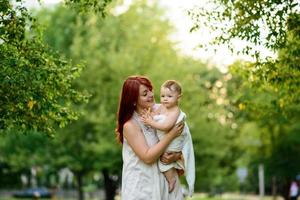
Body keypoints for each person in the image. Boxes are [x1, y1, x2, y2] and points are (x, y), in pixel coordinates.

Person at [116, 76, 185, 200]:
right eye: (144, 93)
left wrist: (176, 156)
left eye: (150, 90)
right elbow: (148, 157)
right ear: (133, 100)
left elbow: (181, 140)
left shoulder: (164, 111)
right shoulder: (130, 125)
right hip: (142, 187)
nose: (151, 94)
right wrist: (171, 135)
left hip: (166, 183)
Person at [141, 80, 187, 193]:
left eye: (169, 96)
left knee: (164, 161)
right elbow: (155, 115)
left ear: (178, 98)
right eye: (162, 96)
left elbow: (167, 126)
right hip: (167, 139)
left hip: (173, 142)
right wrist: (150, 116)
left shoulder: (175, 111)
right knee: (164, 159)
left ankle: (171, 180)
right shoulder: (162, 107)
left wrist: (150, 122)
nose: (165, 99)